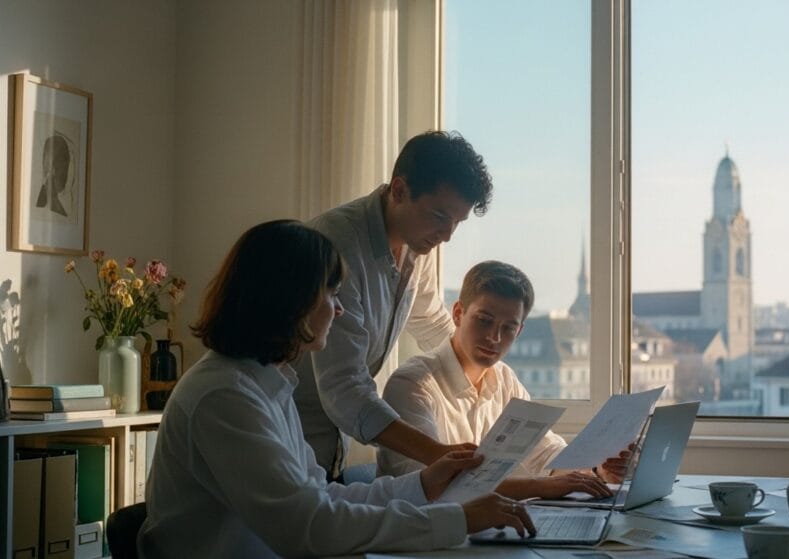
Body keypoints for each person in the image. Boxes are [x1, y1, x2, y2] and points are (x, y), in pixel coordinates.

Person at [139, 220, 534, 558]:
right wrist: (459, 519)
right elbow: (308, 525)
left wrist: (426, 483)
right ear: (290, 302)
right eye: (330, 295)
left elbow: (321, 498)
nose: (339, 309)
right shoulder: (224, 397)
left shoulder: (266, 385)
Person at [294, 131, 492, 479]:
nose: (447, 235)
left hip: (331, 445)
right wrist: (433, 452)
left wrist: (484, 378)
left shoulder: (418, 244)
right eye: (440, 216)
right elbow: (344, 386)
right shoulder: (338, 243)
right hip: (290, 431)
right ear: (399, 190)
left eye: (457, 223)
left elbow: (432, 323)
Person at [378, 261, 632, 500]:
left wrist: (597, 472)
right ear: (457, 313)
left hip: (479, 531)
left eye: (508, 327)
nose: (494, 337)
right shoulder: (412, 385)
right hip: (416, 536)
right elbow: (429, 486)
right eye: (484, 321)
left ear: (520, 330)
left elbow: (545, 454)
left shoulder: (504, 379)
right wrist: (541, 488)